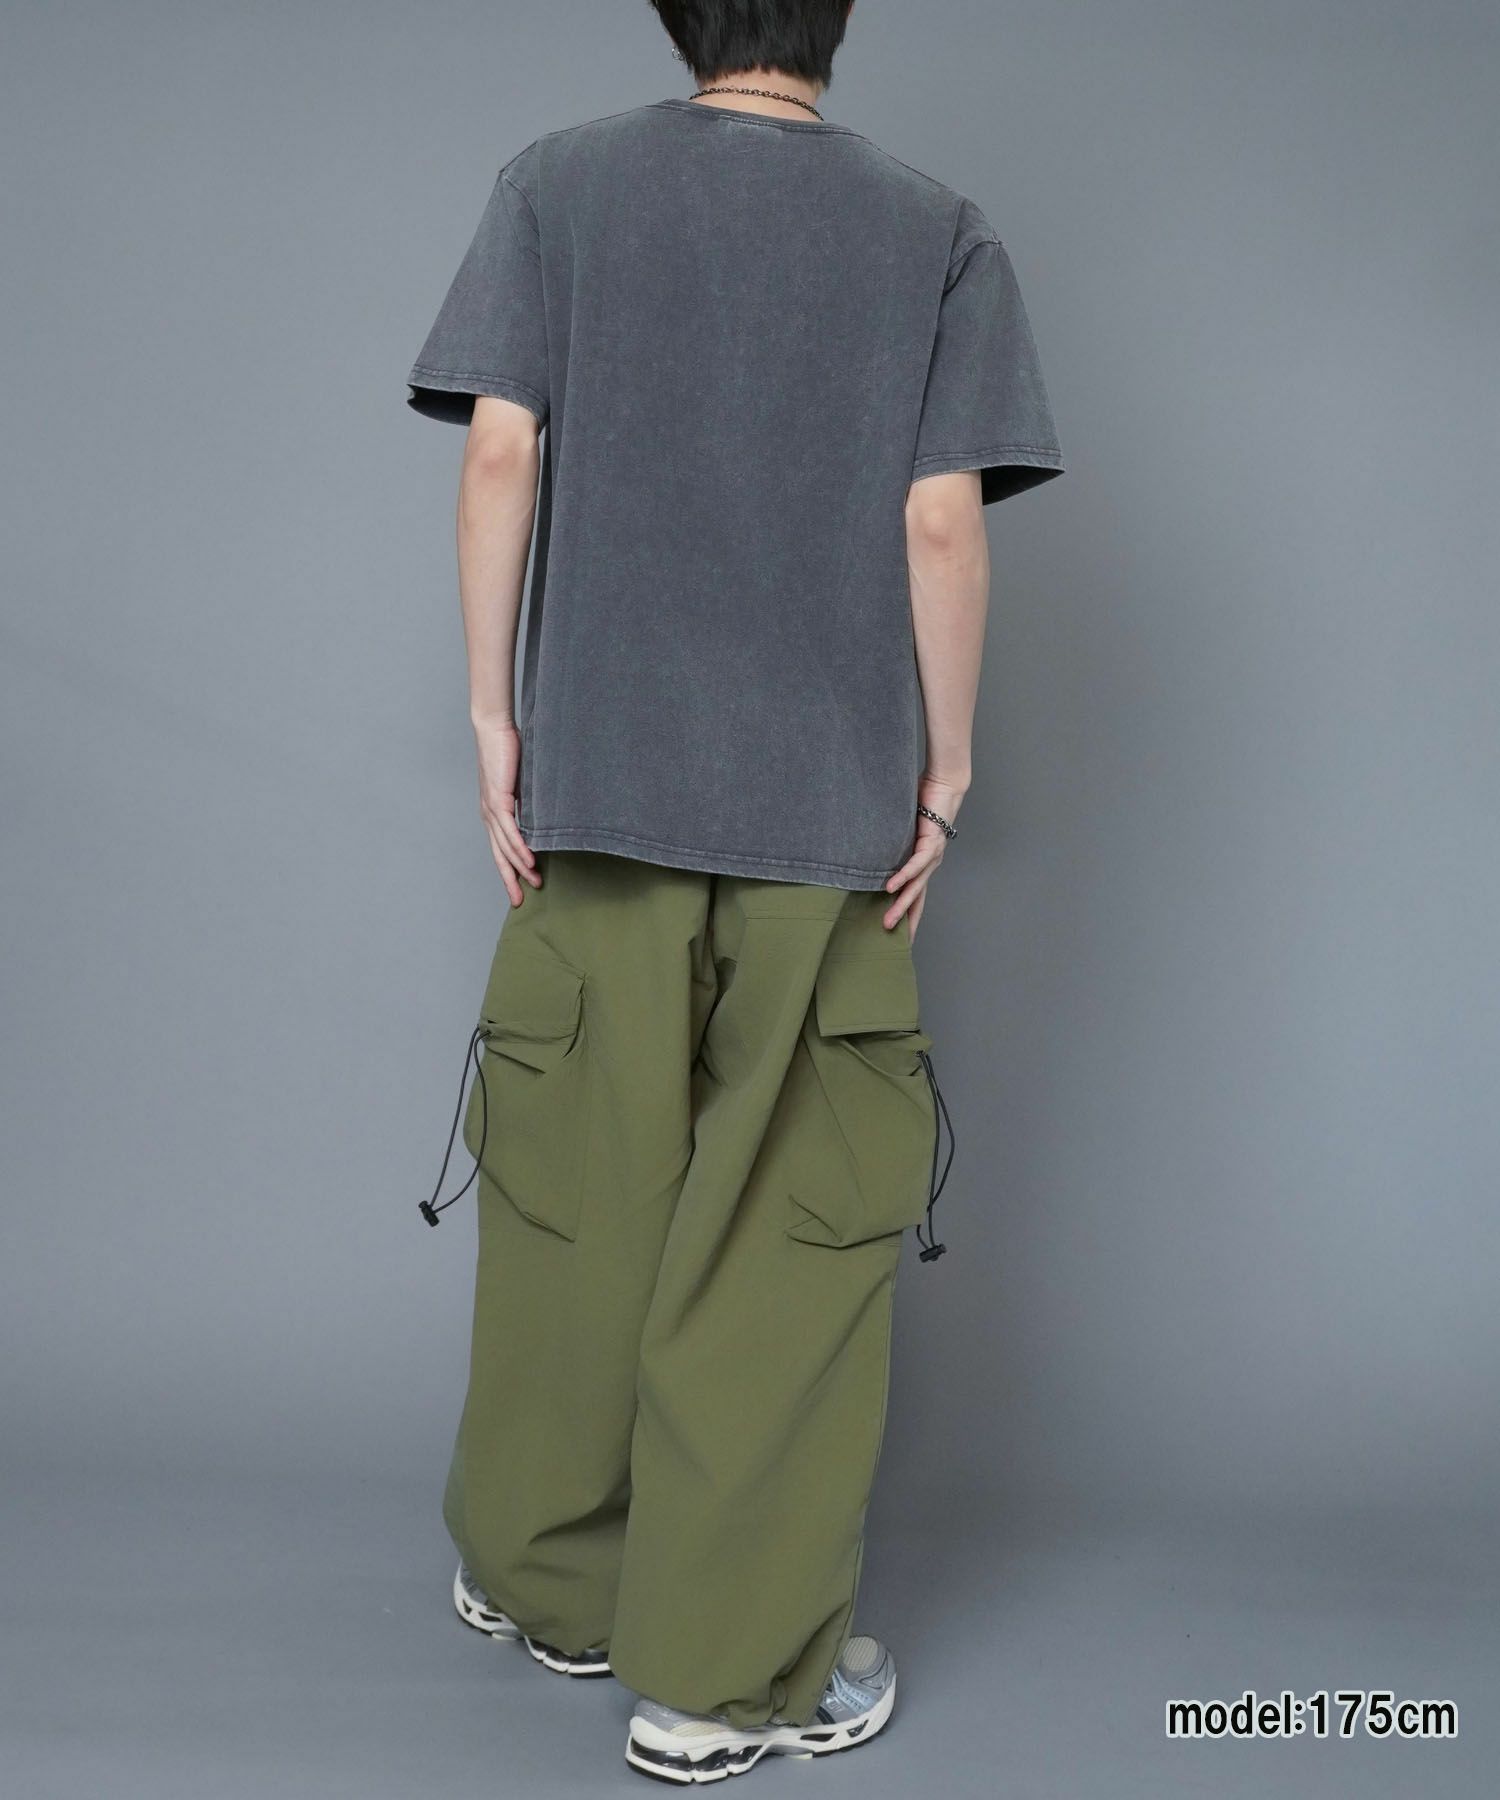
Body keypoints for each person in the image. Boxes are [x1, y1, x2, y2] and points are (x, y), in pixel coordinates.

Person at [405, 0, 1064, 1781]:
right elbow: (940, 519)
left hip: (598, 797)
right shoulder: (935, 231)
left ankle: (549, 1583)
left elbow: (499, 450)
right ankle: (720, 1679)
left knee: (573, 1191)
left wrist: (496, 722)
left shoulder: (556, 186)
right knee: (782, 1233)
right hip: (822, 828)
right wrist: (947, 768)